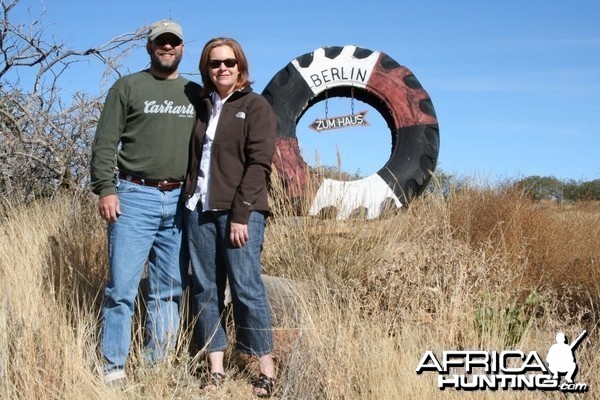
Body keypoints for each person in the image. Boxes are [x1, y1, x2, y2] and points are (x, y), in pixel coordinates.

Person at [90, 19, 201, 384]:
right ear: (150, 47)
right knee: (121, 289)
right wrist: (106, 189)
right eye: (160, 42)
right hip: (134, 197)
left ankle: (158, 365)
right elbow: (106, 142)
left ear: (182, 47)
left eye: (173, 42)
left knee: (168, 291)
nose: (167, 48)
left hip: (180, 201)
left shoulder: (195, 93)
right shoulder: (128, 87)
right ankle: (113, 368)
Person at [182, 37, 277, 398]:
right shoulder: (203, 107)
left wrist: (241, 215)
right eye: (214, 63)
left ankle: (264, 369)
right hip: (200, 210)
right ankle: (216, 369)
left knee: (246, 286)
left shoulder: (255, 106)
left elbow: (258, 164)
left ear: (240, 67)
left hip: (241, 213)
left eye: (229, 62)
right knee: (205, 289)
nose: (222, 68)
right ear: (207, 69)